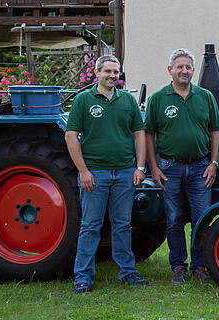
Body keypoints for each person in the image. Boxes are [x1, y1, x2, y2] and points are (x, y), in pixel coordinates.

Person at [65, 54, 149, 293]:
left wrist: (140, 167)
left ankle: (128, 273)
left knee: (122, 225)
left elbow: (139, 134)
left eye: (116, 72)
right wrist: (83, 171)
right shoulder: (83, 100)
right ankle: (82, 277)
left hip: (124, 173)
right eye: (108, 72)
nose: (112, 76)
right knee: (91, 226)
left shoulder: (127, 101)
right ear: (97, 73)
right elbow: (71, 135)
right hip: (96, 174)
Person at [145, 48, 219, 285]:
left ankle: (199, 266)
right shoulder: (158, 99)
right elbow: (149, 134)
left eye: (188, 67)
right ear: (170, 70)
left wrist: (214, 163)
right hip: (170, 169)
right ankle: (178, 266)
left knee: (202, 219)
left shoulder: (205, 96)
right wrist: (154, 167)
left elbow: (215, 131)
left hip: (201, 168)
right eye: (180, 67)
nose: (184, 71)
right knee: (174, 219)